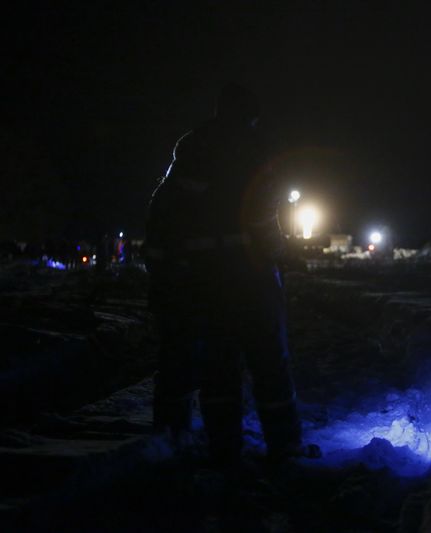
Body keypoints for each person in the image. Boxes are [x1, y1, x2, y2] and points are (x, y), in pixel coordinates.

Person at [145, 84, 317, 467]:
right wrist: (277, 251)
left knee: (217, 361)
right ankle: (284, 445)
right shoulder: (254, 147)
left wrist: (164, 267)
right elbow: (261, 212)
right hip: (249, 271)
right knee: (269, 358)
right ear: (251, 115)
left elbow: (164, 209)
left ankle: (224, 446)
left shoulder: (191, 148)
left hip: (203, 275)